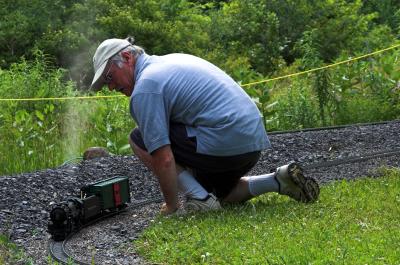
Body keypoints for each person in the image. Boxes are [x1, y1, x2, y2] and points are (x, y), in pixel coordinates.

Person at [91, 37, 319, 215]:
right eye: (104, 85)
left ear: (127, 58)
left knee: (138, 138)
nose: (110, 88)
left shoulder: (146, 87)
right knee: (221, 194)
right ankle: (277, 181)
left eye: (109, 78)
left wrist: (171, 205)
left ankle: (200, 200)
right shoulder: (170, 61)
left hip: (224, 140)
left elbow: (165, 158)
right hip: (250, 144)